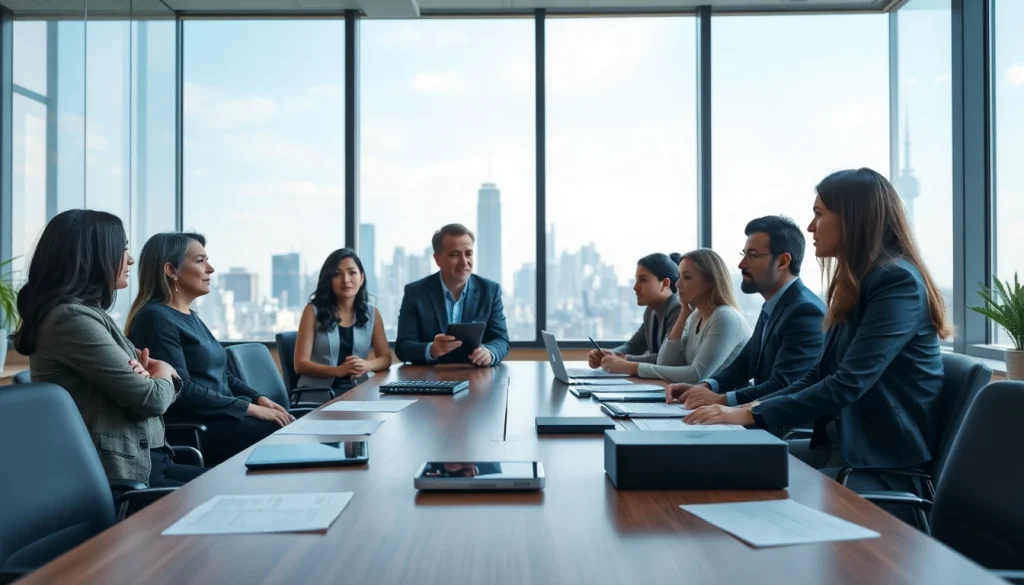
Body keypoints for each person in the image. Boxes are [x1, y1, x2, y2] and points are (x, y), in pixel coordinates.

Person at [685, 168, 950, 500]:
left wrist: (746, 412)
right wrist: (744, 409)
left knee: (734, 481)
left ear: (853, 219)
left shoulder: (897, 282)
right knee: (715, 462)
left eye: (819, 214)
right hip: (842, 446)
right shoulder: (858, 284)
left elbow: (848, 383)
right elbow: (819, 373)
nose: (810, 227)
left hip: (876, 462)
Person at [14, 209, 204, 488]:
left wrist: (150, 377)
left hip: (150, 464)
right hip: (130, 477)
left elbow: (144, 387)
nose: (130, 259)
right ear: (92, 255)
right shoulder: (72, 319)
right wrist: (164, 371)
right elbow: (151, 398)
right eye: (122, 249)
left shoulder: (89, 314)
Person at [125, 233, 294, 468]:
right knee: (281, 432)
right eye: (200, 261)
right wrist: (248, 408)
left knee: (290, 424)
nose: (211, 269)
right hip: (197, 427)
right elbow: (181, 389)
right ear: (171, 270)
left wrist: (258, 398)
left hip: (220, 417)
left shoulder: (191, 317)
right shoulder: (155, 318)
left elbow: (223, 374)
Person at [669, 216, 826, 409]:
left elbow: (783, 385)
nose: (741, 264)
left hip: (784, 430)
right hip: (756, 417)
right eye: (744, 254)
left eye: (752, 255)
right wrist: (705, 386)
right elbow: (743, 364)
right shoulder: (774, 304)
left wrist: (722, 400)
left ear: (783, 261)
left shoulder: (804, 311)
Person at [600, 249, 751, 383]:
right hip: (700, 401)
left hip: (726, 407)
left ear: (710, 281)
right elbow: (664, 362)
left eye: (686, 277)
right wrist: (684, 311)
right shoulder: (695, 316)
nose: (677, 284)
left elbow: (696, 375)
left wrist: (633, 367)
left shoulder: (725, 318)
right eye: (679, 277)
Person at [395, 223, 510, 366]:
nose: (464, 262)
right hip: (430, 378)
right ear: (437, 259)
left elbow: (501, 339)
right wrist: (431, 349)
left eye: (468, 254)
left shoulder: (490, 291)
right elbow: (403, 347)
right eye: (454, 255)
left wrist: (490, 353)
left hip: (478, 377)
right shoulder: (416, 292)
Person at [293, 248, 392, 393]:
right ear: (329, 279)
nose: (346, 280)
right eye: (337, 274)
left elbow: (385, 358)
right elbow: (300, 364)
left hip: (357, 391)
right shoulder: (312, 311)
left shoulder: (372, 313)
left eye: (352, 272)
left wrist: (367, 365)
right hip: (318, 394)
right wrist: (337, 371)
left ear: (362, 278)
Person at [587, 253, 683, 369]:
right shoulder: (650, 311)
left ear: (665, 283)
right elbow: (633, 346)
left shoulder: (678, 308)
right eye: (636, 280)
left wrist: (623, 360)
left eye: (643, 280)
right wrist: (609, 354)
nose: (635, 287)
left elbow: (665, 358)